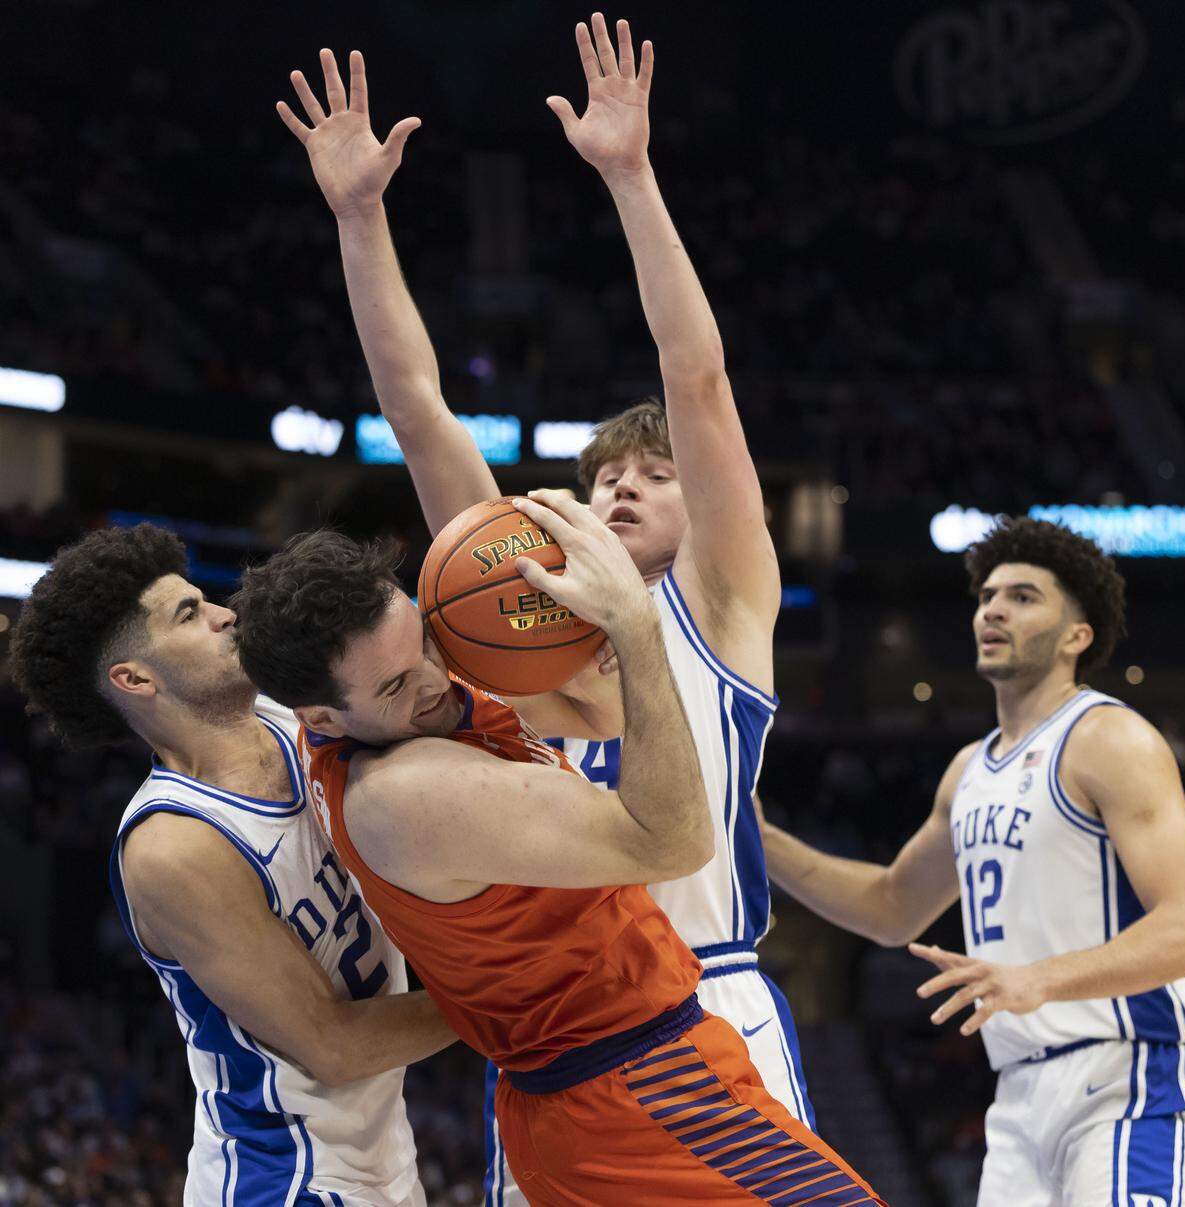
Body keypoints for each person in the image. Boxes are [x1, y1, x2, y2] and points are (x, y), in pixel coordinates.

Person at [273, 27, 811, 1204]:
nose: (623, 483)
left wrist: (631, 176)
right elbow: (417, 410)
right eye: (607, 471)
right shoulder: (506, 623)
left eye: (654, 475)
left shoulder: (720, 609)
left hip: (706, 1004)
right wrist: (360, 220)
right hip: (556, 1053)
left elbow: (698, 376)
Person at [231, 493, 884, 1206]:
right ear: (321, 716)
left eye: (421, 641)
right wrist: (633, 624)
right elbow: (677, 838)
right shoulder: (408, 792)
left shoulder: (420, 711)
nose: (433, 676)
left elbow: (599, 716)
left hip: (613, 1081)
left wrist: (567, 636)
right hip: (632, 1094)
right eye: (393, 683)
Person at [9, 523, 455, 1206]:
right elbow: (331, 1045)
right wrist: (519, 992)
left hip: (382, 1151)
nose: (225, 612)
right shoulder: (175, 845)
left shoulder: (291, 714)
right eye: (190, 612)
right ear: (134, 678)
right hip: (286, 1177)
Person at [757, 516, 1185, 1205]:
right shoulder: (970, 769)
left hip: (1127, 1080)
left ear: (1076, 636)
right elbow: (890, 907)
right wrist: (759, 838)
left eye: (1023, 596)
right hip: (1020, 1095)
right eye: (988, 595)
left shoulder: (1110, 737)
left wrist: (1041, 979)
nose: (993, 608)